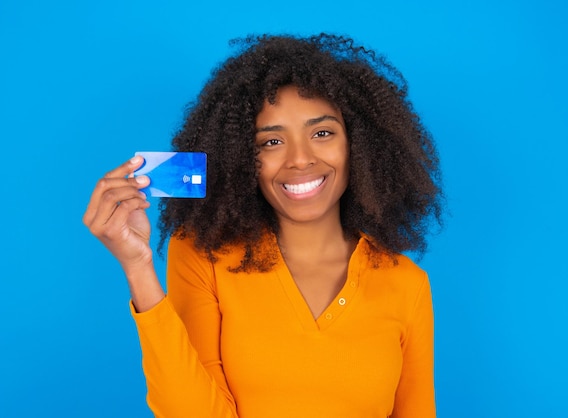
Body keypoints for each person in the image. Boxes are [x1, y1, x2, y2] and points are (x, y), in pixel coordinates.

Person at [83, 33, 443, 418]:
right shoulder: (203, 254)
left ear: (359, 144)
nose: (300, 159)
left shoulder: (407, 284)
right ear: (241, 159)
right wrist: (138, 268)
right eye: (271, 142)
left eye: (322, 133)